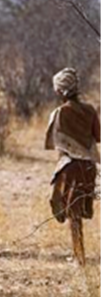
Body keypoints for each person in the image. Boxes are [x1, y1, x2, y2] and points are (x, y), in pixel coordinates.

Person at [45, 67, 100, 266]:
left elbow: (55, 143)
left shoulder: (60, 113)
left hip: (69, 167)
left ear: (59, 91)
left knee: (72, 213)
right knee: (76, 211)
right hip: (89, 167)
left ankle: (80, 257)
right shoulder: (90, 110)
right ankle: (78, 254)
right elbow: (98, 136)